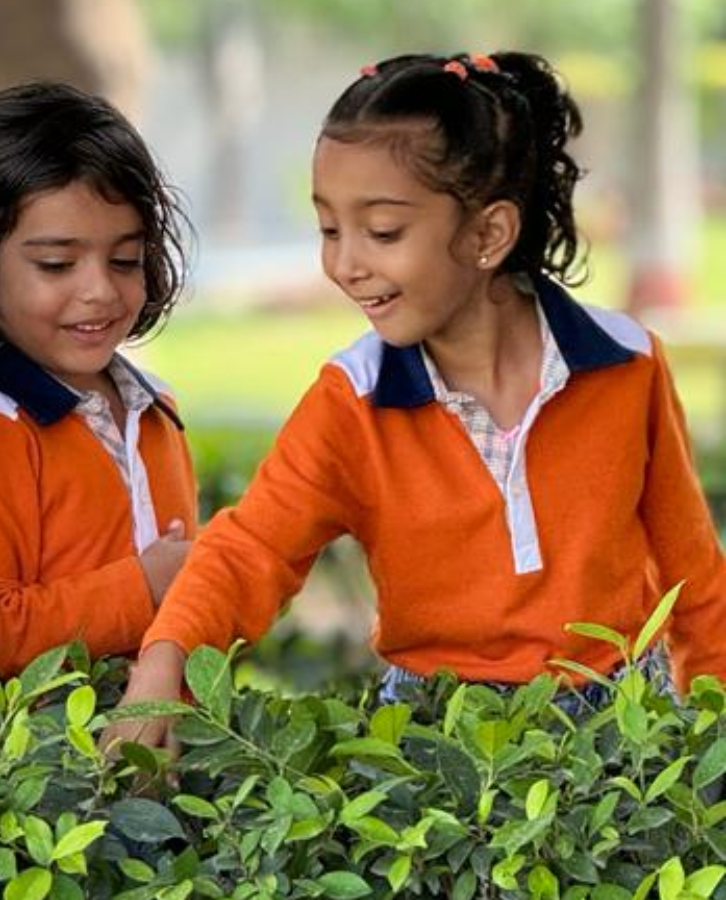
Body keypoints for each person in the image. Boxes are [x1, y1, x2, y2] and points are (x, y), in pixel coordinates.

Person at [114, 51, 726, 739]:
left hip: (622, 738)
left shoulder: (628, 366)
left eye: (382, 231)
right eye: (328, 229)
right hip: (434, 740)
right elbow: (249, 550)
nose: (345, 264)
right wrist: (162, 663)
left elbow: (696, 579)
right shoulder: (352, 401)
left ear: (489, 233)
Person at [0, 81, 197, 677]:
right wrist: (143, 587)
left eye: (124, 260)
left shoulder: (156, 409)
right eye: (56, 264)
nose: (98, 289)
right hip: (58, 761)